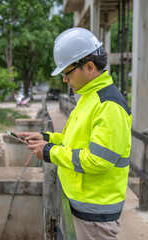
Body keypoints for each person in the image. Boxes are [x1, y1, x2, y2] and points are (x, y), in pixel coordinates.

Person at [18, 27, 132, 240]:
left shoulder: (109, 105)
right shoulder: (89, 97)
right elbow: (76, 140)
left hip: (95, 213)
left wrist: (50, 152)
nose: (64, 80)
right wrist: (47, 138)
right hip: (82, 204)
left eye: (67, 73)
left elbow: (98, 160)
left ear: (89, 66)